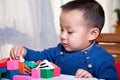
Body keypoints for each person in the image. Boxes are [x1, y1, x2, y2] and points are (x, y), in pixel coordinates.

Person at [10, 0, 118, 79]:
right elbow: (39, 56)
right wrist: (24, 51)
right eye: (62, 30)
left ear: (92, 34)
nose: (63, 36)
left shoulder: (103, 58)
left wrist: (91, 78)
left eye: (70, 32)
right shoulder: (59, 51)